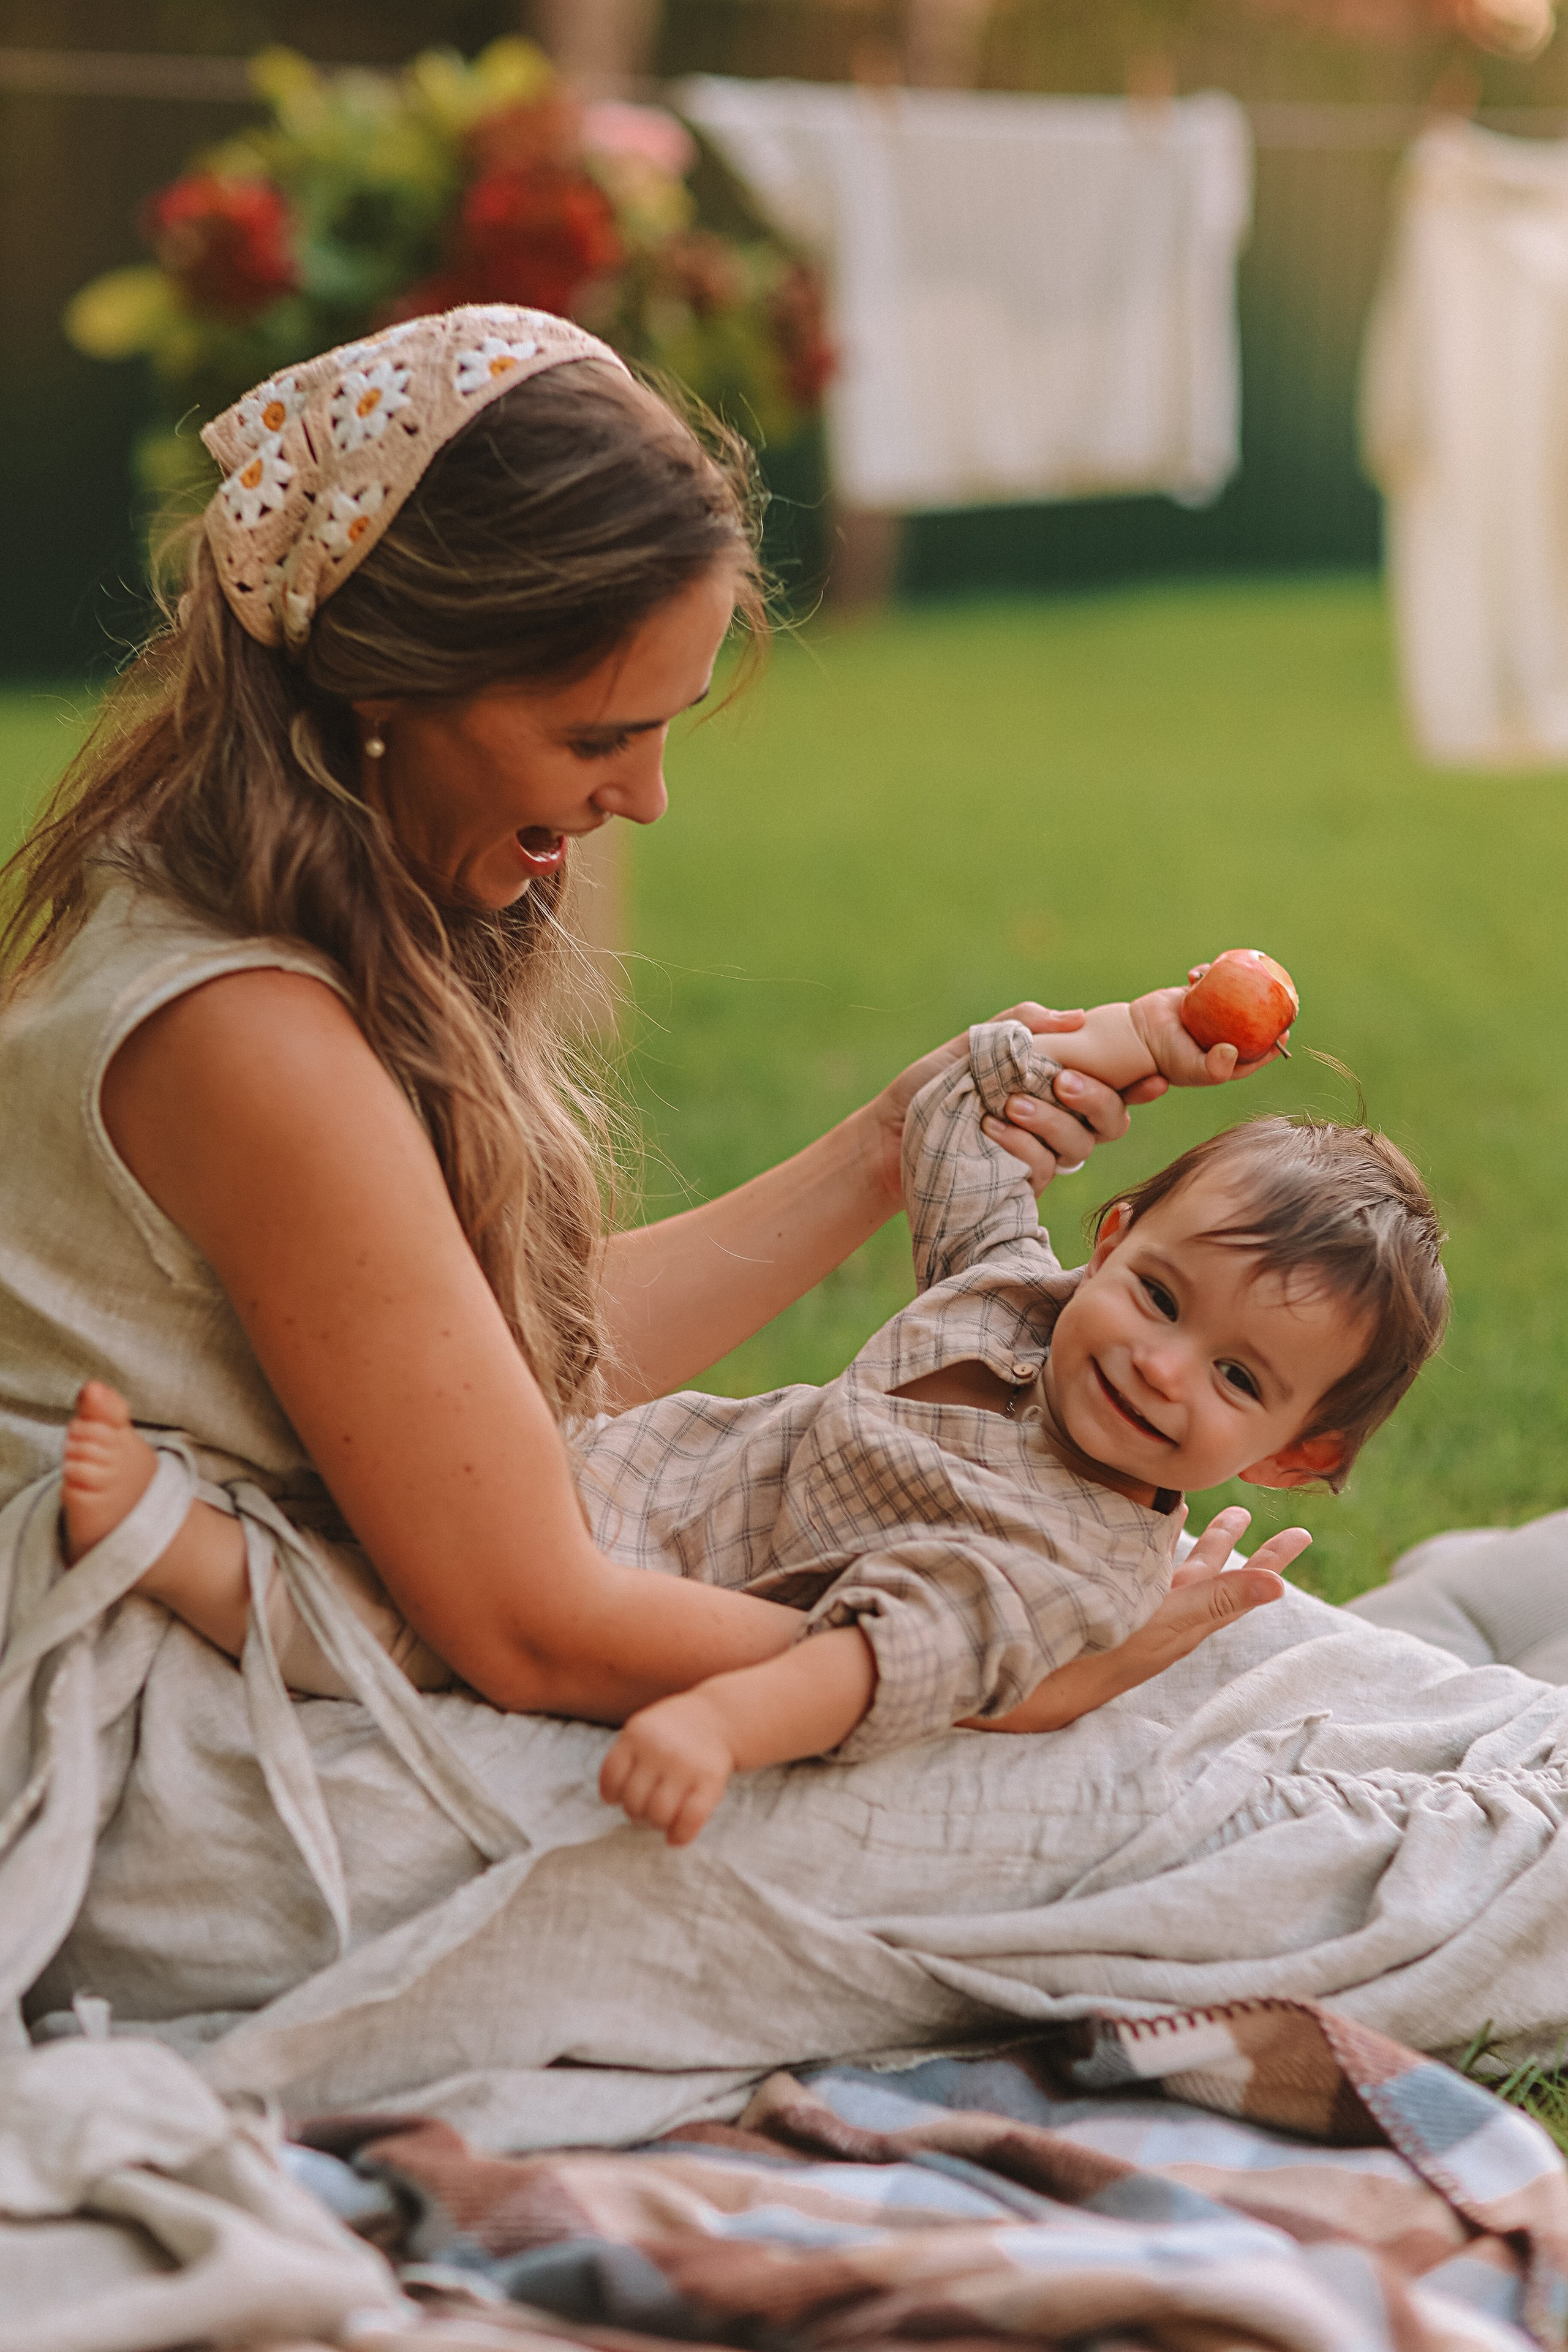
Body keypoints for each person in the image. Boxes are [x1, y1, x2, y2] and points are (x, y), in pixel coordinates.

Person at [0, 304, 1289, 1761]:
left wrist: (890, 1142)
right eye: (597, 738)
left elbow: (502, 1374)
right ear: (393, 683)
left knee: (1232, 1677)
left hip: (332, 1600)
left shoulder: (290, 895)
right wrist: (985, 1673)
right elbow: (530, 1627)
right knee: (1160, 1786)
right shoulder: (253, 1037)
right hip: (149, 1686)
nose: (647, 798)